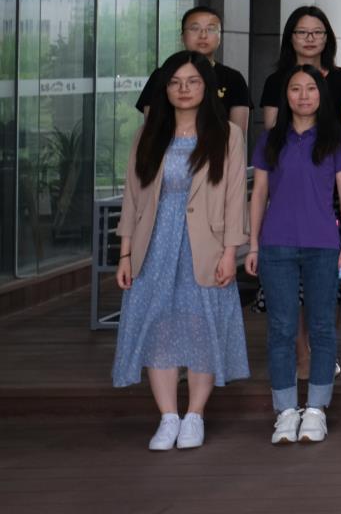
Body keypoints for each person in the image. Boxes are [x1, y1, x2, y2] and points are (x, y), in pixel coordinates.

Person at [113, 52, 249, 451]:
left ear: (207, 87)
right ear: (165, 89)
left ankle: (195, 415)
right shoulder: (149, 134)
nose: (183, 89)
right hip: (154, 245)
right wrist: (125, 254)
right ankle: (168, 416)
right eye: (175, 82)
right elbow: (132, 197)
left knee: (201, 326)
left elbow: (235, 198)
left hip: (205, 247)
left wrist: (231, 252)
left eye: (192, 82)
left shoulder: (227, 135)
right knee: (158, 328)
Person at [244, 64, 341, 445]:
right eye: (295, 89)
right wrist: (254, 244)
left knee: (322, 328)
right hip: (276, 245)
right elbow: (259, 193)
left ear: (321, 96)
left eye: (311, 89)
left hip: (324, 245)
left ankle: (316, 409)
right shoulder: (270, 140)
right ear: (286, 95)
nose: (303, 96)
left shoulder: (336, 140)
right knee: (281, 329)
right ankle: (286, 411)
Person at [135, 6, 251, 132]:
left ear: (220, 37)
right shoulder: (162, 75)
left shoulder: (233, 78)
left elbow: (239, 133)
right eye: (195, 28)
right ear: (182, 36)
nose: (203, 35)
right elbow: (151, 129)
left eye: (211, 29)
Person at [259, 6, 341, 128]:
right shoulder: (275, 81)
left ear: (327, 37)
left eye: (317, 32)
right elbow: (271, 130)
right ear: (290, 37)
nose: (310, 38)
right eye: (302, 32)